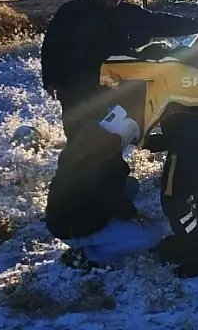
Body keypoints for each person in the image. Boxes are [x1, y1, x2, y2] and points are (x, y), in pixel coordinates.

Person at [100, 42, 198, 278]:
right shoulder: (195, 76)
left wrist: (104, 80)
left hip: (193, 144)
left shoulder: (165, 70)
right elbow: (187, 126)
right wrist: (143, 142)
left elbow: (117, 66)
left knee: (174, 201)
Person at [39, 0, 198, 142]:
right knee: (76, 138)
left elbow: (161, 22)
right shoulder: (72, 11)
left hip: (107, 88)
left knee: (103, 140)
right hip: (74, 86)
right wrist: (50, 80)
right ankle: (73, 166)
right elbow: (51, 46)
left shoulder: (126, 13)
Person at [44, 105, 166, 270]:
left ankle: (106, 229)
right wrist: (131, 214)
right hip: (73, 228)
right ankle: (87, 256)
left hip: (70, 215)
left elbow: (109, 186)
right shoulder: (101, 162)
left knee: (130, 184)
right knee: (153, 233)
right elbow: (105, 193)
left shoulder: (89, 144)